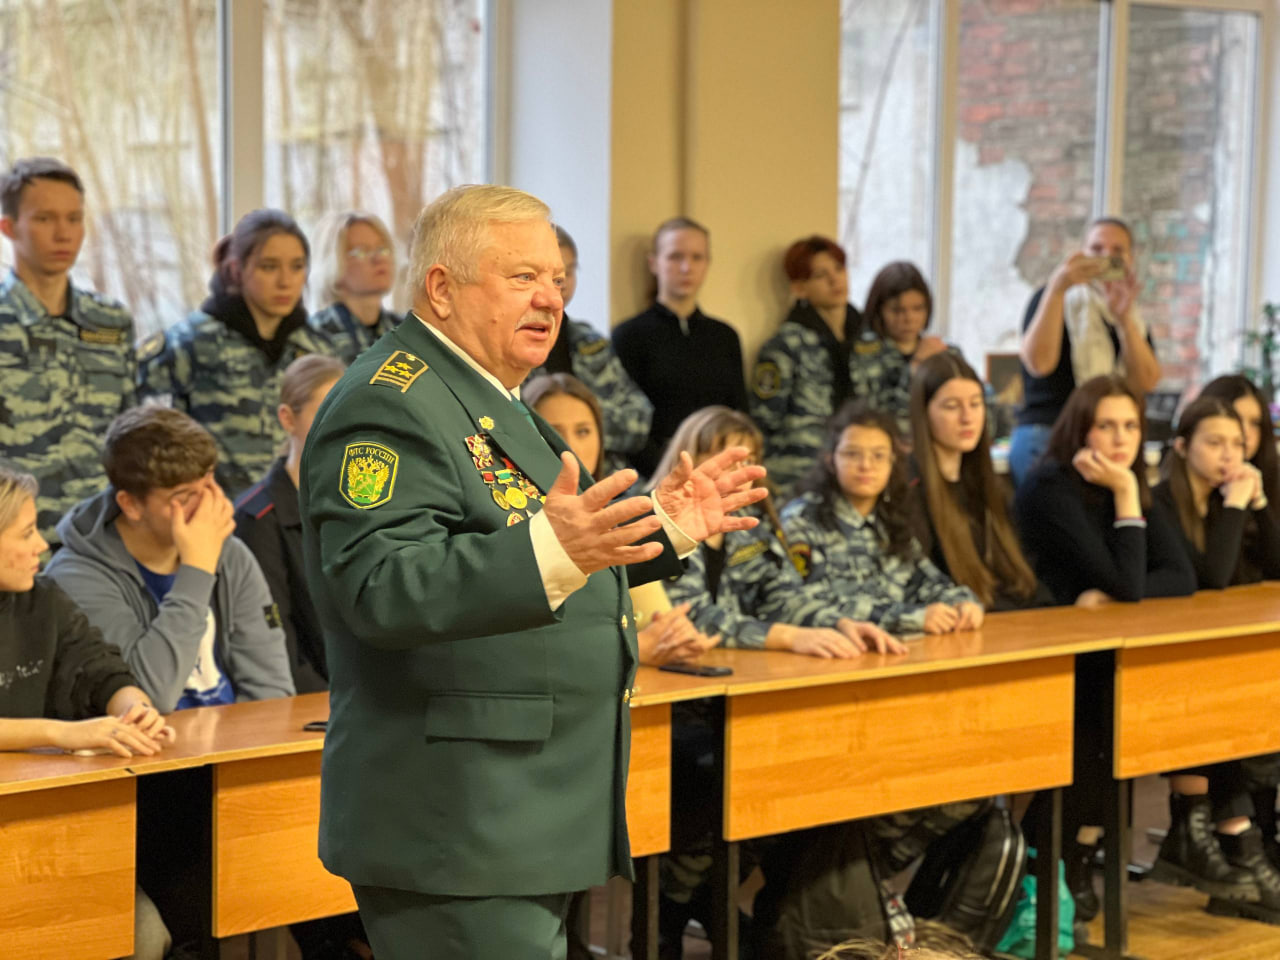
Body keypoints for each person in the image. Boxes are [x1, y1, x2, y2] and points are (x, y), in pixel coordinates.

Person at [298, 184, 768, 960]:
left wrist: (667, 524)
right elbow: (379, 588)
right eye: (522, 278)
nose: (550, 299)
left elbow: (556, 543)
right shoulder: (389, 405)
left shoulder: (493, 399)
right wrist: (556, 548)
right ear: (441, 288)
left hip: (524, 812)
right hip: (458, 820)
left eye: (556, 279)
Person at [0, 466, 177, 960]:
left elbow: (99, 667)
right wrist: (62, 733)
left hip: (44, 831)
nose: (41, 545)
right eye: (25, 533)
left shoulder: (44, 600)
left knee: (145, 936)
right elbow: (63, 730)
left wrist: (133, 708)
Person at [43, 405, 295, 714]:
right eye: (185, 497)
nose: (209, 506)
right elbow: (146, 698)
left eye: (210, 484)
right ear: (131, 505)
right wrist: (197, 570)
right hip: (150, 757)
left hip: (233, 748)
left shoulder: (229, 554)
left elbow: (272, 688)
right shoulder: (75, 577)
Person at [1148, 396, 1280, 921]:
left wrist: (1262, 504)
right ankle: (1235, 842)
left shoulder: (1238, 500)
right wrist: (1233, 506)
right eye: (1214, 442)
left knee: (1236, 697)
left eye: (1237, 444)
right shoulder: (1159, 502)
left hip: (1221, 670)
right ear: (1182, 447)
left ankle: (1226, 837)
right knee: (1216, 702)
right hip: (1164, 670)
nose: (1229, 454)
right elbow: (1212, 580)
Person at [660, 406, 902, 658]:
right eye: (726, 460)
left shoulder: (748, 523)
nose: (740, 473)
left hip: (732, 667)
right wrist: (789, 637)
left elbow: (783, 595)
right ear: (688, 460)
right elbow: (690, 618)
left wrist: (839, 623)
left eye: (748, 461)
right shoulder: (659, 521)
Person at [138, 209, 339, 499]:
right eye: (269, 267)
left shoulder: (315, 348)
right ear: (236, 269)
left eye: (297, 267)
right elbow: (154, 443)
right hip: (215, 517)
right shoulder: (189, 344)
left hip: (295, 519)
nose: (285, 281)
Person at [524, 372, 716, 669]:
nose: (571, 445)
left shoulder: (611, 514)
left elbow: (657, 618)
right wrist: (636, 647)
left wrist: (677, 636)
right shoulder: (515, 519)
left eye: (584, 431)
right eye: (555, 431)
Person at [0, 157, 137, 543]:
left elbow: (129, 433)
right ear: (8, 227)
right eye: (45, 219)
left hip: (101, 542)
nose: (64, 234)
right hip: (15, 544)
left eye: (74, 219)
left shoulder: (110, 322)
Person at [782, 403, 983, 636]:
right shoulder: (802, 520)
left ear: (893, 462)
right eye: (852, 454)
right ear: (830, 461)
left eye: (878, 456)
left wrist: (962, 603)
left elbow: (926, 580)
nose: (866, 466)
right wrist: (908, 617)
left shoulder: (890, 518)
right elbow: (803, 603)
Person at [1014, 374, 1195, 607]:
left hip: (1103, 623)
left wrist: (1111, 596)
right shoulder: (1048, 488)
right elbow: (1127, 586)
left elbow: (1181, 577)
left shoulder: (1124, 481)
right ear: (1080, 431)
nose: (1121, 439)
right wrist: (1125, 492)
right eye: (1105, 426)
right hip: (1047, 627)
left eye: (1131, 426)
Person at [1010, 217, 1161, 486]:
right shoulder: (1051, 297)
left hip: (1105, 434)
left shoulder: (1132, 315)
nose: (1106, 258)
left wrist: (1124, 320)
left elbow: (1146, 382)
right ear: (1080, 254)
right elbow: (1039, 364)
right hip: (1048, 427)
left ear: (1130, 259)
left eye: (1117, 251)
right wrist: (1059, 287)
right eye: (1097, 249)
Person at [235, 354, 347, 694]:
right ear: (287, 418)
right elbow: (276, 641)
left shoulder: (364, 502)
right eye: (325, 413)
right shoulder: (259, 517)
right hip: (309, 700)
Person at [908, 353, 1052, 611]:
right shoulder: (909, 491)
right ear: (924, 413)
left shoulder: (993, 487)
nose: (967, 417)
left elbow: (1023, 579)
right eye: (952, 406)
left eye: (976, 404)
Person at [613, 217, 748, 476]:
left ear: (708, 263)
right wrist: (671, 471)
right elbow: (625, 424)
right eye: (675, 257)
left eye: (697, 257)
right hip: (655, 474)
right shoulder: (630, 336)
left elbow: (739, 414)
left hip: (720, 471)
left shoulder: (725, 336)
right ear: (654, 263)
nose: (687, 267)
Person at [525, 227, 652, 476]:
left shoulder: (590, 341)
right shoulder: (511, 342)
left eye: (568, 272)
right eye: (552, 274)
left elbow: (638, 421)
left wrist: (575, 422)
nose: (560, 283)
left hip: (605, 477)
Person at [751, 235, 865, 497]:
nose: (835, 280)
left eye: (839, 269)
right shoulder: (785, 346)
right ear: (800, 288)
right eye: (820, 275)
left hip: (855, 469)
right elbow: (765, 419)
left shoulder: (866, 339)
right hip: (799, 474)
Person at [850, 262, 950, 441]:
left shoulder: (941, 350)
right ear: (879, 310)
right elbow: (881, 419)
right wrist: (916, 366)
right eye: (897, 310)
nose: (909, 318)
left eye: (918, 308)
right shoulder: (864, 354)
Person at [307, 210, 401, 363]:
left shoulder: (407, 330)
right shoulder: (313, 336)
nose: (378, 259)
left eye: (382, 249)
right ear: (332, 261)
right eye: (361, 252)